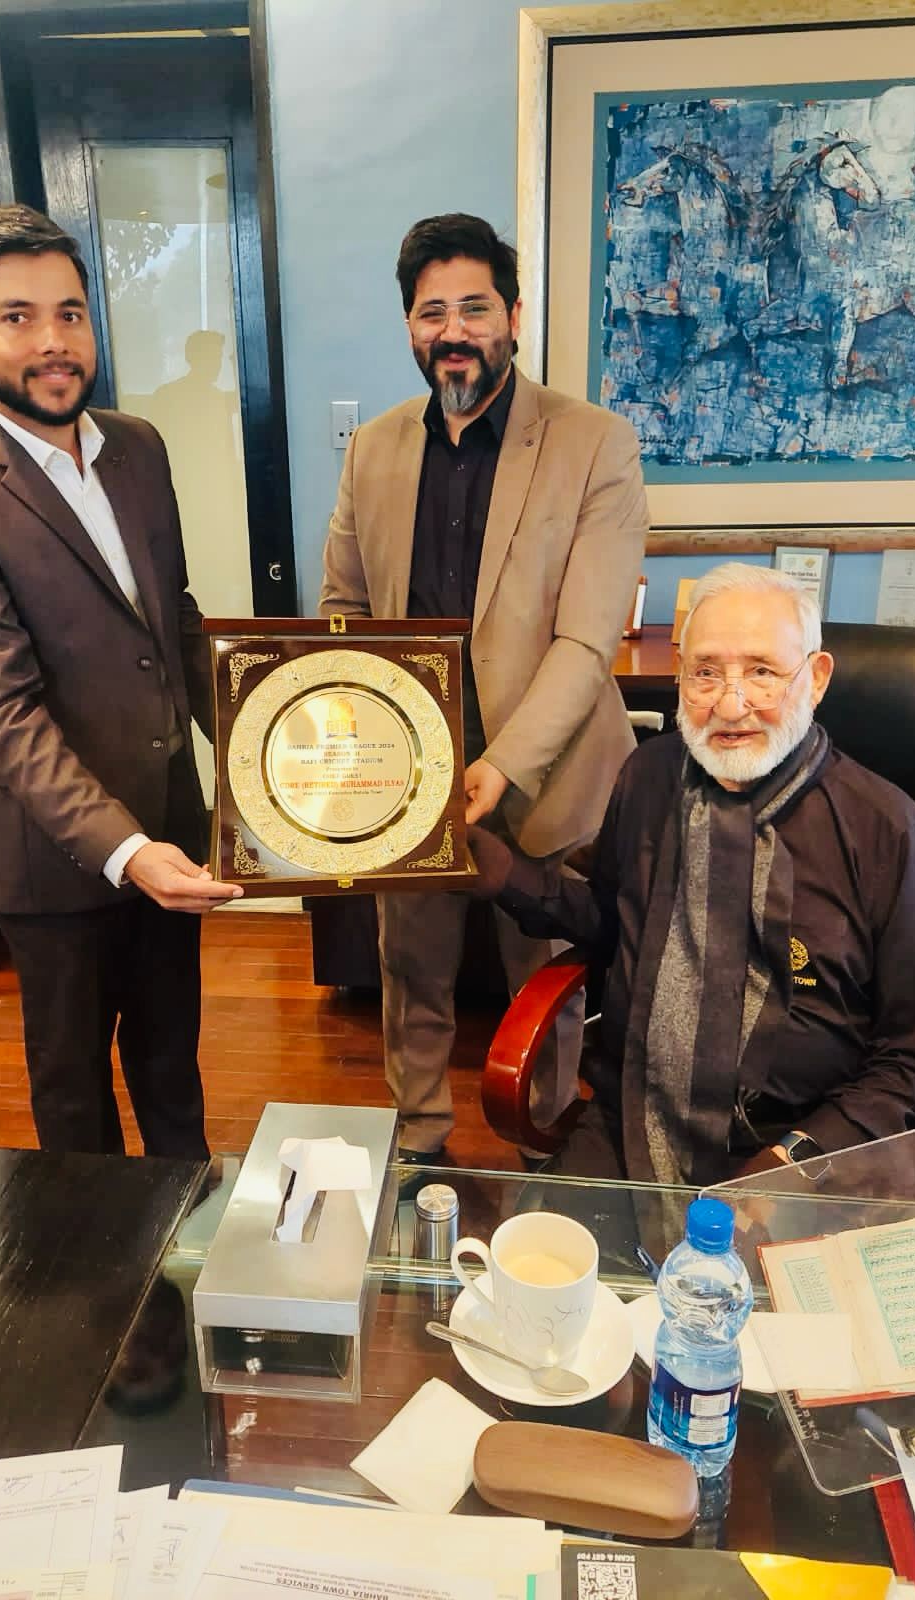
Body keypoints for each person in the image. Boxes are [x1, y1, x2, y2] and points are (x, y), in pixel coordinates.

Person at [0, 204, 241, 1159]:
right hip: (52, 859)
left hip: (170, 821)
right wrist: (126, 851)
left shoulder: (139, 447)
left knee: (171, 1067)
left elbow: (175, 622)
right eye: (18, 316)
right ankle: (98, 1253)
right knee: (75, 1098)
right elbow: (0, 713)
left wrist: (271, 746)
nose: (53, 341)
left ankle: (185, 1228)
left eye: (71, 314)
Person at [319, 213, 648, 1158]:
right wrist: (350, 742)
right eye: (433, 313)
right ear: (410, 327)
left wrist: (502, 767)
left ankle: (546, 1149)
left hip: (547, 775)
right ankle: (418, 1136)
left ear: (513, 315)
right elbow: (343, 607)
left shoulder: (596, 443)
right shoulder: (374, 447)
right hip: (413, 770)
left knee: (543, 982)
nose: (454, 331)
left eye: (475, 308)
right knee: (410, 966)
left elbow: (586, 642)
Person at [469, 563, 915, 1186]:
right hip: (630, 1124)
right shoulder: (648, 776)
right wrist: (505, 874)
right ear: (680, 675)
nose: (730, 705)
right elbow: (612, 923)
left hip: (801, 1151)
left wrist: (793, 1163)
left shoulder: (882, 826)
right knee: (529, 1251)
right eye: (706, 673)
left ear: (815, 678)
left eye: (762, 672)